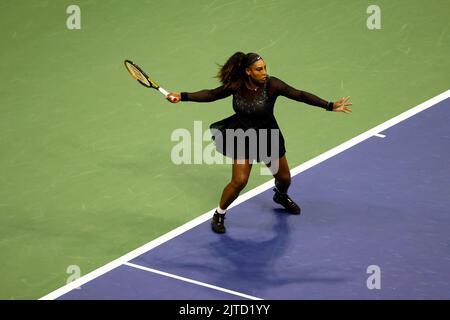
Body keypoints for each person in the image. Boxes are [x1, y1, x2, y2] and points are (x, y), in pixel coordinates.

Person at [167, 52, 352, 234]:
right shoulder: (237, 85)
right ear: (248, 71)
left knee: (284, 179)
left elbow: (300, 95)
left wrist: (329, 105)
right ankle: (219, 214)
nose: (264, 72)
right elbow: (211, 94)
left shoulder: (272, 85)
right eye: (259, 69)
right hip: (242, 137)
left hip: (268, 137)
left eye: (265, 68)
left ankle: (280, 196)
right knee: (239, 181)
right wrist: (182, 96)